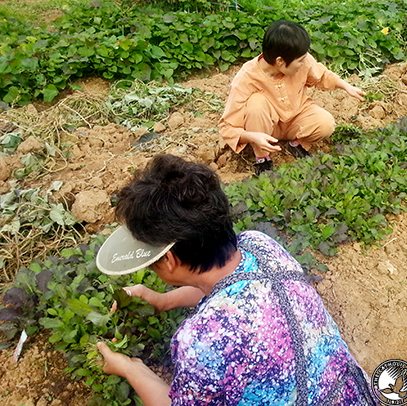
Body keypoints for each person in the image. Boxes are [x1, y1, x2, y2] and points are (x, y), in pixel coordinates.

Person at [95, 154, 379, 406]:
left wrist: (131, 368)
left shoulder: (200, 341)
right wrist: (163, 301)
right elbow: (229, 287)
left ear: (168, 261)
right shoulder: (260, 245)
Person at [218, 19, 365, 175]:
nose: (304, 63)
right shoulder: (245, 78)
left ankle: (296, 145)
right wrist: (252, 137)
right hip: (264, 128)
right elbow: (227, 127)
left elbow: (322, 75)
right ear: (280, 61)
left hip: (296, 119)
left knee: (325, 123)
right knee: (256, 103)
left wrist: (346, 86)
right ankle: (263, 158)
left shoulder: (302, 59)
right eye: (300, 61)